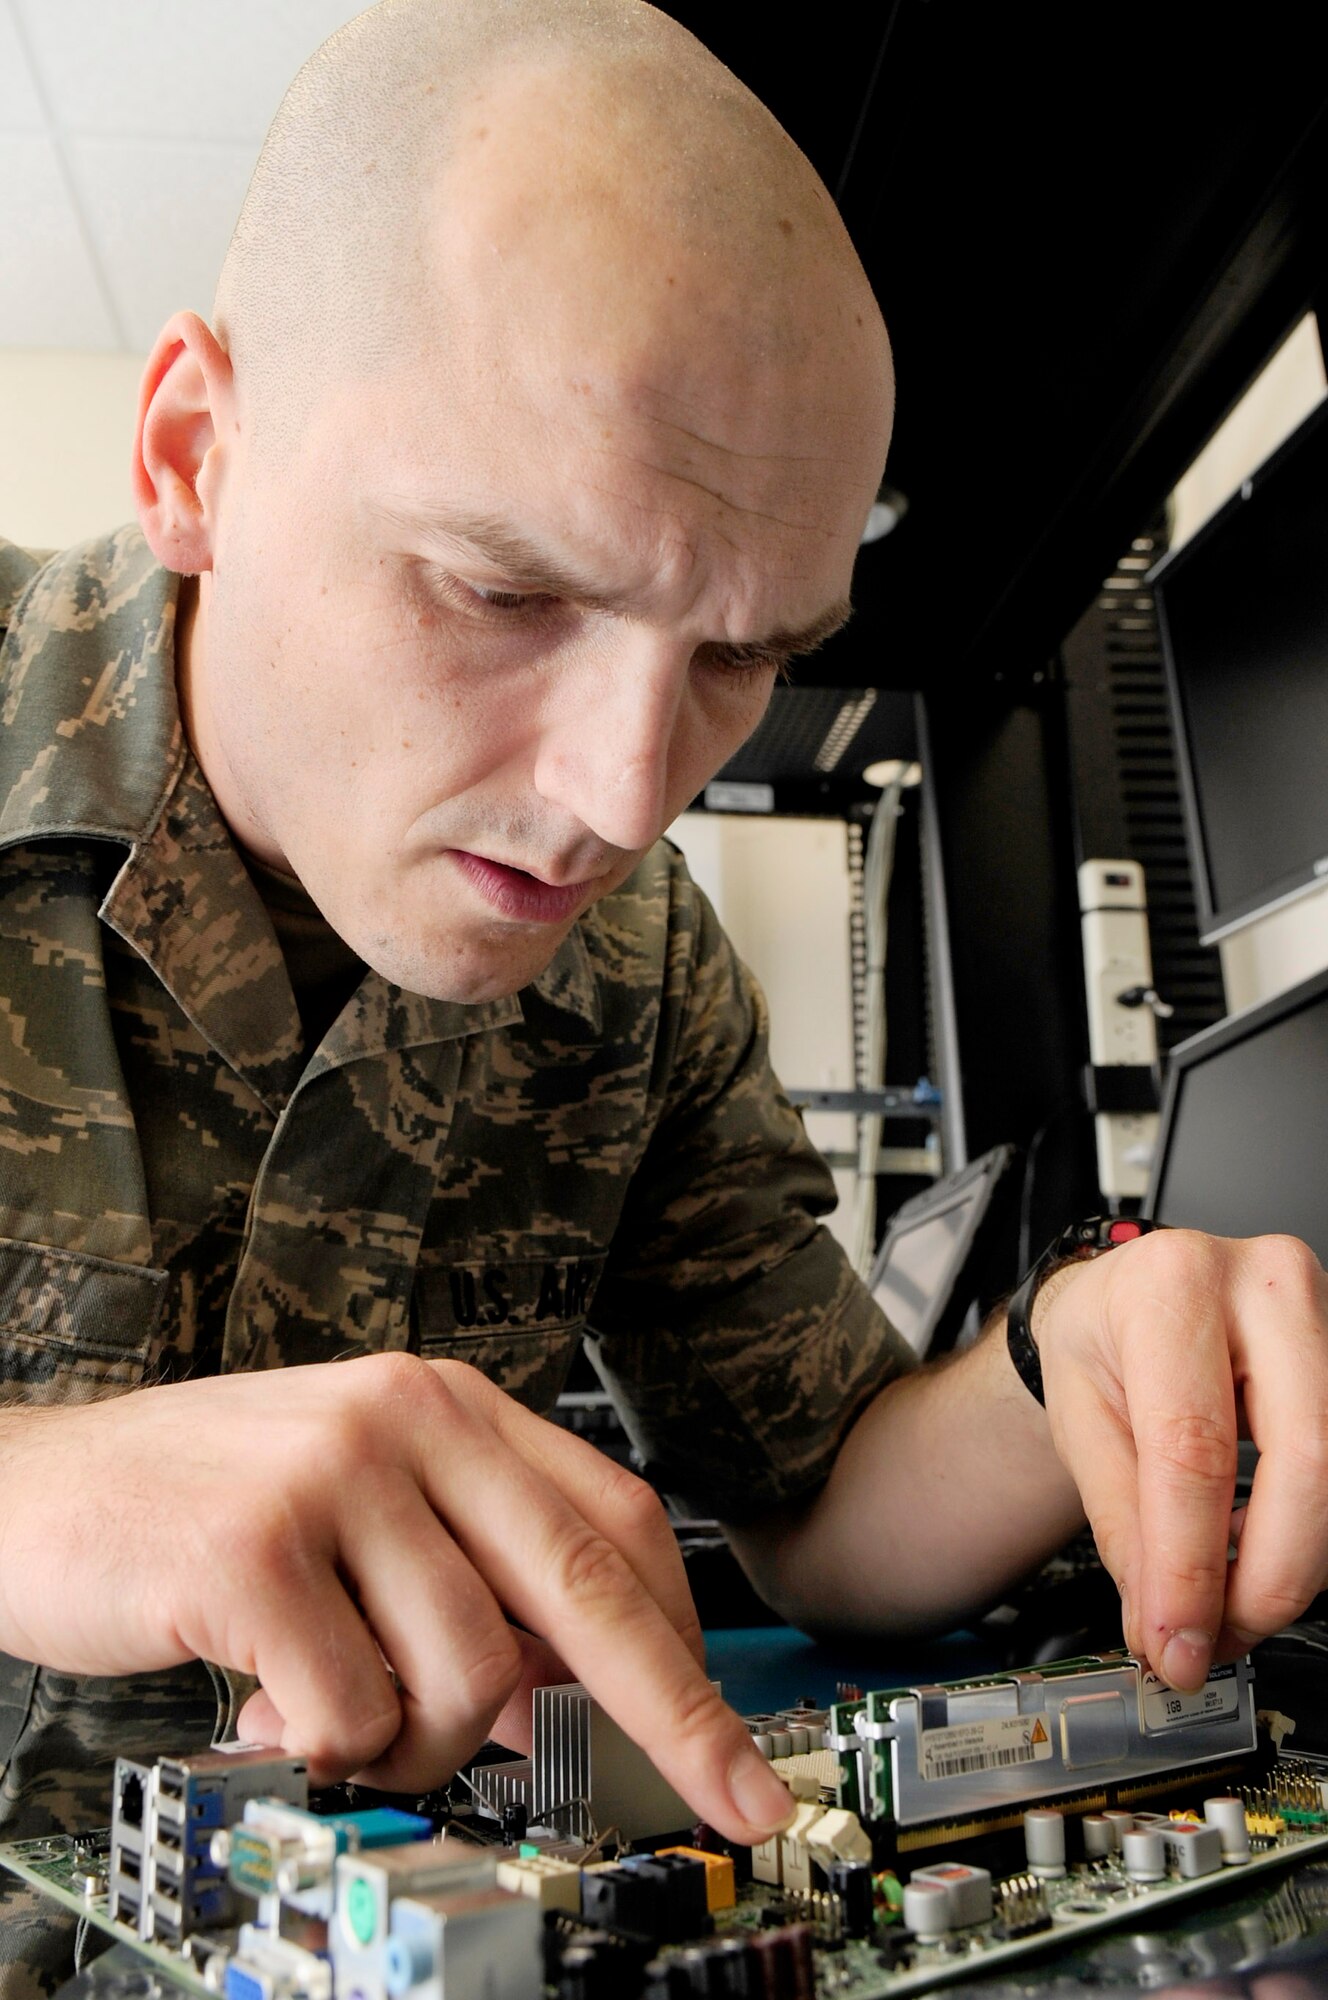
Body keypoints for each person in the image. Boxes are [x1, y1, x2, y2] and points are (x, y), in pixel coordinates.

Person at [1, 1, 1326, 1990]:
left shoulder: (631, 970)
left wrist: (1074, 1346)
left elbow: (819, 1494)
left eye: (741, 655)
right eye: (506, 590)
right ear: (196, 452)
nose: (625, 799)